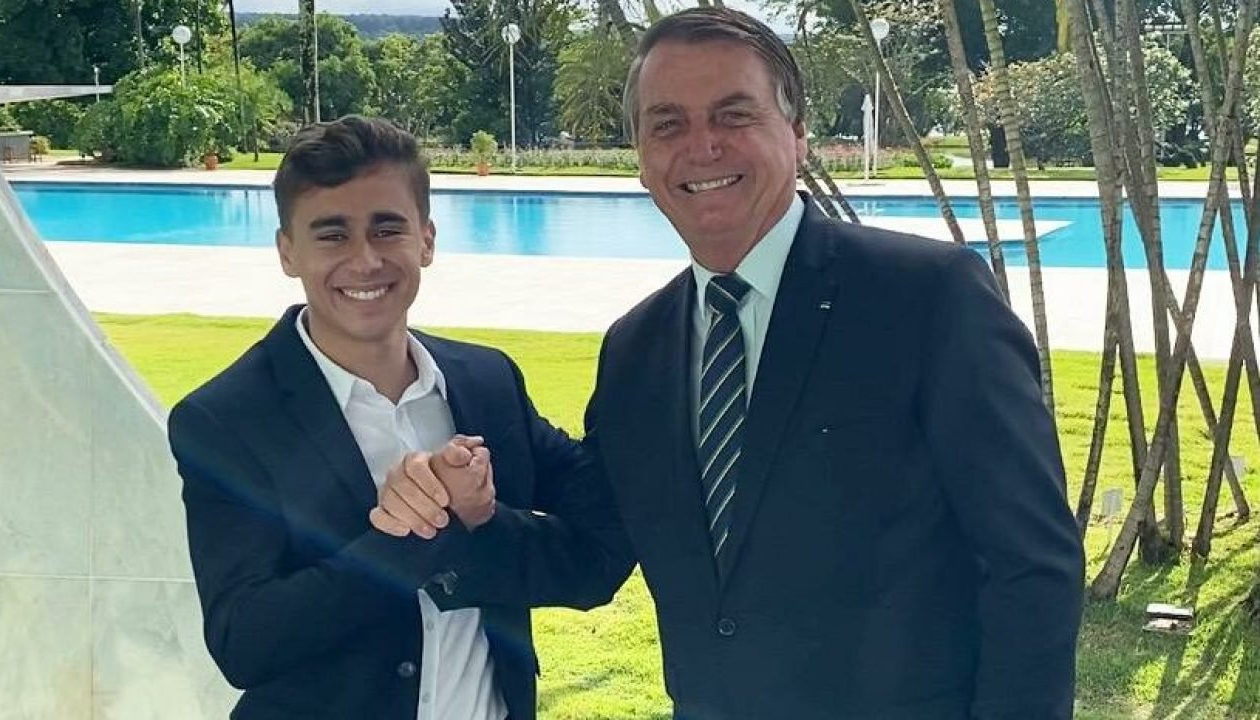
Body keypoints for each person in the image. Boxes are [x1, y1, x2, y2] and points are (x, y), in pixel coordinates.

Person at [387, 7, 1084, 719]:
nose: (702, 146)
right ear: (642, 156)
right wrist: (471, 518)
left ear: (798, 133)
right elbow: (594, 556)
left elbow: (1031, 565)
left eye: (734, 114)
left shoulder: (926, 299)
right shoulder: (635, 352)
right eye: (668, 124)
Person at [167, 115, 632, 720]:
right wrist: (410, 537)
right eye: (332, 235)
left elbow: (596, 562)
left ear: (426, 240)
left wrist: (482, 522)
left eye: (387, 229)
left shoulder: (487, 383)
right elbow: (245, 643)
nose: (365, 260)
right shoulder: (227, 419)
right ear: (287, 252)